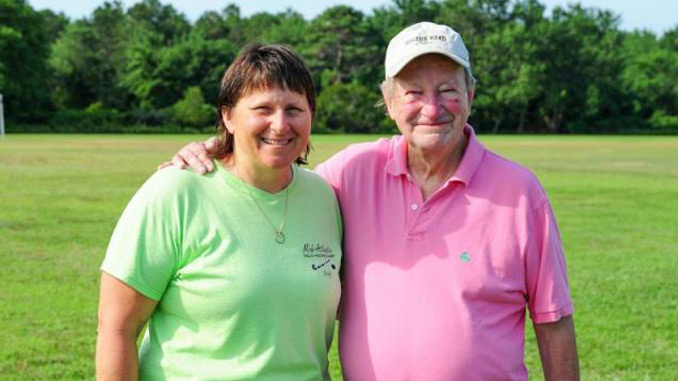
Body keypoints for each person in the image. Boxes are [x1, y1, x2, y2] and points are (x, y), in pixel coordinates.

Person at [165, 22, 579, 380]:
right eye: (413, 91)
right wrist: (216, 148)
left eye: (448, 89)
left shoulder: (521, 192)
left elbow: (554, 321)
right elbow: (275, 179)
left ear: (470, 93)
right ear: (389, 100)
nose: (431, 108)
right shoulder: (354, 171)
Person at [96, 43, 343, 380]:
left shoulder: (325, 197)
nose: (280, 124)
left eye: (294, 109)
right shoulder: (175, 191)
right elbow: (116, 329)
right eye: (263, 108)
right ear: (228, 116)